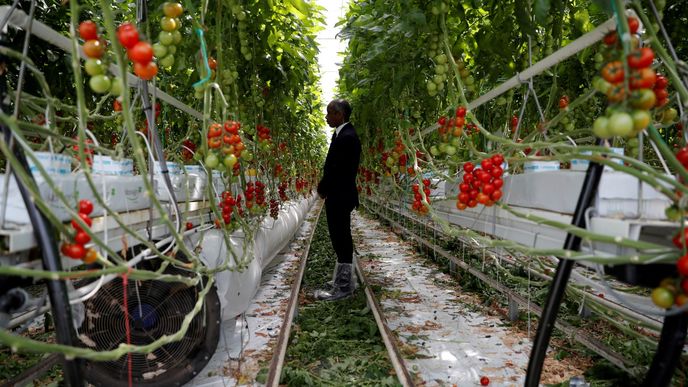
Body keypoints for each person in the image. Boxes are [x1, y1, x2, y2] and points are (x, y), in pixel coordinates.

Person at [315, 99, 361, 301]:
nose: (326, 117)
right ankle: (343, 280)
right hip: (340, 194)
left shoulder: (347, 137)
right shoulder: (343, 135)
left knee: (341, 238)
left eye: (329, 113)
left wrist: (323, 188)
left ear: (339, 115)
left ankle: (344, 287)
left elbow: (337, 169)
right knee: (340, 237)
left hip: (340, 195)